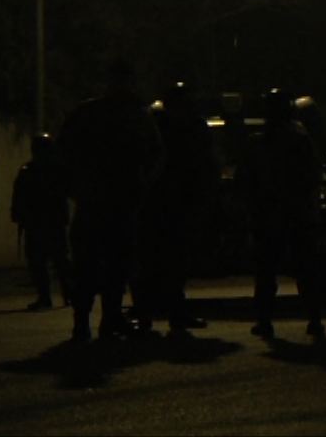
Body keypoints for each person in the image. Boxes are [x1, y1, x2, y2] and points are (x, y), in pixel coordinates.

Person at [58, 57, 163, 342]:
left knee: (94, 264)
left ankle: (89, 322)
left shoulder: (90, 113)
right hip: (116, 201)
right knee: (111, 264)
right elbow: (155, 156)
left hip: (101, 201)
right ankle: (103, 320)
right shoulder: (135, 115)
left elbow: (64, 152)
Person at [132, 82, 216, 334]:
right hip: (161, 201)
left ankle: (163, 314)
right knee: (160, 261)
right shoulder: (162, 125)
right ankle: (154, 315)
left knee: (170, 261)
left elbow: (205, 164)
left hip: (173, 201)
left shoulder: (185, 127)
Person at [245, 88, 325, 339]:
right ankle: (313, 320)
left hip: (271, 214)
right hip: (295, 213)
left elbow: (247, 179)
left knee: (267, 271)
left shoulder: (260, 141)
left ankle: (265, 321)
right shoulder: (299, 139)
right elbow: (313, 175)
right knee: (305, 269)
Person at [11, 133, 73, 310]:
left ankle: (57, 295)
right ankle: (61, 295)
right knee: (50, 261)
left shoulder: (35, 170)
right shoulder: (44, 170)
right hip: (44, 222)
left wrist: (18, 214)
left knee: (51, 261)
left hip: (44, 222)